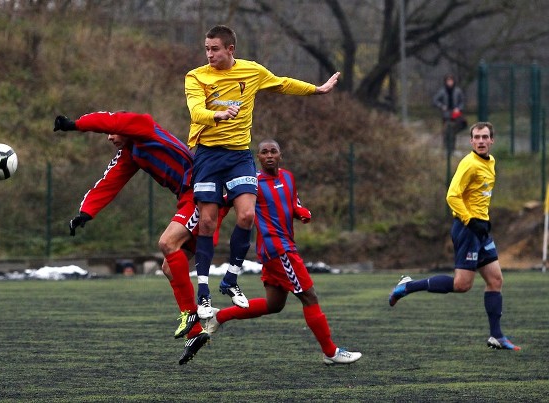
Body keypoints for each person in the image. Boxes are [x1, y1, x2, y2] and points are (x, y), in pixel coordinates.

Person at [185, 24, 342, 319]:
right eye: (206, 49)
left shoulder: (251, 71)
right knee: (207, 222)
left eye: (215, 49)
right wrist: (216, 114)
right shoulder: (196, 76)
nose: (209, 54)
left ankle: (230, 279)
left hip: (239, 156)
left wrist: (316, 89)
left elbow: (282, 83)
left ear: (230, 49)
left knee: (246, 215)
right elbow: (195, 111)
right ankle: (203, 293)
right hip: (207, 154)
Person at [53, 111, 209, 365]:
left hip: (203, 191)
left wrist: (74, 125)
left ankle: (192, 313)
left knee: (167, 243)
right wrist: (85, 213)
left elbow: (110, 119)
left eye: (112, 133)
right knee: (169, 267)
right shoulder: (131, 153)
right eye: (108, 134)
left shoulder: (143, 125)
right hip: (188, 198)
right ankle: (194, 333)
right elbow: (109, 182)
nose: (109, 137)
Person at [204, 139, 362, 365]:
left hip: (282, 248)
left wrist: (300, 211)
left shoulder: (288, 177)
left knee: (274, 304)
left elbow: (293, 202)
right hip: (278, 250)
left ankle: (220, 316)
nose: (269, 155)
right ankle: (330, 352)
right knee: (309, 296)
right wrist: (212, 230)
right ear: (258, 158)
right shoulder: (252, 183)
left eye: (273, 151)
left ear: (280, 155)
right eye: (264, 152)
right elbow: (225, 205)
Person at [388, 122, 521, 351]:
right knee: (462, 285)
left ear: (492, 141)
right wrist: (470, 220)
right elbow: (452, 195)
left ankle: (496, 336)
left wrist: (481, 222)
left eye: (485, 137)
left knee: (495, 280)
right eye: (476, 137)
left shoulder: (490, 162)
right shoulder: (469, 164)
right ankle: (408, 286)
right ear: (471, 142)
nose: (480, 141)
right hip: (468, 229)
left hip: (481, 230)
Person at [432, 73, 467, 152]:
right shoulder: (442, 91)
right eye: (448, 81)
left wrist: (458, 108)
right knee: (446, 132)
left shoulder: (458, 91)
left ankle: (452, 149)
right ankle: (446, 149)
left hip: (455, 114)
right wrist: (441, 106)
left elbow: (462, 102)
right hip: (446, 115)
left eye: (451, 81)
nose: (450, 82)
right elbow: (435, 100)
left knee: (453, 132)